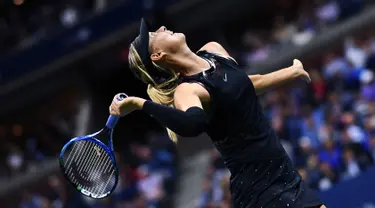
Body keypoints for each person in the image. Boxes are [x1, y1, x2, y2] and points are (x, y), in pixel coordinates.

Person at [109, 19, 325, 208]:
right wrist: (140, 104)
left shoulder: (214, 50)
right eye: (155, 35)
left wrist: (292, 71)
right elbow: (193, 123)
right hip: (258, 187)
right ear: (157, 55)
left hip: (283, 171)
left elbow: (247, 83)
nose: (162, 27)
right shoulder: (188, 90)